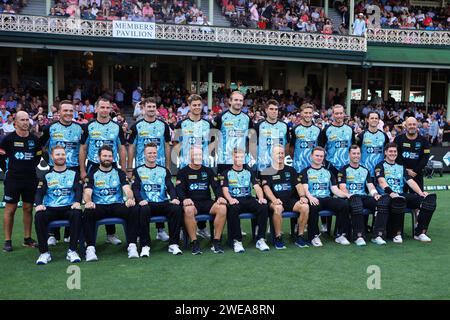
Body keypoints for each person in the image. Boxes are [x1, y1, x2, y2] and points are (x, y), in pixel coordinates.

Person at [79, 97, 127, 245]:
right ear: (96, 109)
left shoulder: (116, 127)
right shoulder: (89, 127)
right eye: (102, 107)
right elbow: (83, 148)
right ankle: (89, 237)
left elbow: (121, 148)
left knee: (112, 195)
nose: (105, 110)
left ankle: (110, 234)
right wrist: (82, 170)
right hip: (93, 165)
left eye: (108, 108)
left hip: (111, 165)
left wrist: (124, 169)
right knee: (90, 200)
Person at [83, 145, 139, 261]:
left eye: (109, 156)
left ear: (113, 158)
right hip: (99, 206)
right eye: (104, 156)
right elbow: (87, 193)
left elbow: (128, 189)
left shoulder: (119, 173)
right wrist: (88, 202)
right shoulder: (92, 174)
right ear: (99, 157)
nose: (107, 158)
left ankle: (132, 245)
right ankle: (90, 248)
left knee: (133, 209)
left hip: (116, 205)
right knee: (88, 212)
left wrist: (129, 198)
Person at [40, 100, 85, 245]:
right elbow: (41, 146)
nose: (68, 113)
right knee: (54, 197)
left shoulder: (80, 128)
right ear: (59, 112)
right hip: (55, 168)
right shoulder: (50, 128)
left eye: (71, 111)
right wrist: (47, 161)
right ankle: (53, 233)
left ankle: (69, 233)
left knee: (71, 198)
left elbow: (83, 148)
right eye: (65, 110)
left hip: (74, 168)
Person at [127, 97, 172, 241]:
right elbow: (132, 147)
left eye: (153, 106)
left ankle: (160, 230)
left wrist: (168, 166)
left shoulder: (163, 125)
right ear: (143, 108)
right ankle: (140, 231)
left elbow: (166, 145)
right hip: (141, 167)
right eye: (149, 107)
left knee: (159, 195)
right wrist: (129, 167)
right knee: (141, 196)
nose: (151, 109)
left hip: (159, 167)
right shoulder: (136, 126)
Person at [375, 143, 437, 243]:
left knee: (428, 201)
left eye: (395, 151)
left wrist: (421, 193)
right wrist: (391, 193)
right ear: (385, 152)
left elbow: (410, 181)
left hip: (400, 194)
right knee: (398, 200)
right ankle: (396, 234)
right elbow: (382, 182)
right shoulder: (380, 166)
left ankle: (420, 232)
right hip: (387, 196)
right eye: (390, 151)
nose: (393, 153)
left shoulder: (401, 167)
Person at [173, 94, 214, 239]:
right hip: (186, 165)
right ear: (189, 106)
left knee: (204, 193)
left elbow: (213, 141)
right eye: (194, 105)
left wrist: (206, 153)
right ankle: (185, 229)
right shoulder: (181, 124)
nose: (197, 107)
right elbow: (175, 143)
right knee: (185, 195)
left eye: (199, 105)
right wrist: (181, 157)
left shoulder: (208, 124)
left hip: (203, 165)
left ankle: (202, 228)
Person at [0, 111, 42, 252]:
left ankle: (27, 238)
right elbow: (1, 156)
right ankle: (7, 240)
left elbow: (37, 157)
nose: (25, 122)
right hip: (13, 179)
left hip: (30, 178)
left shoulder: (35, 139)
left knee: (28, 208)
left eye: (27, 120)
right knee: (10, 209)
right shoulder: (7, 139)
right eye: (22, 120)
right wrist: (8, 169)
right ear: (15, 123)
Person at [131, 143, 183, 257]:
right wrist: (139, 200)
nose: (152, 155)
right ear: (144, 154)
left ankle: (173, 244)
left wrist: (174, 198)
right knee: (142, 210)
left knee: (176, 208)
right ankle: (145, 246)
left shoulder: (164, 170)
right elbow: (135, 188)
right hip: (147, 204)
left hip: (162, 202)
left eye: (154, 152)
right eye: (149, 153)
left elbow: (170, 186)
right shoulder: (138, 170)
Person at [34, 146, 83, 264]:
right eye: (58, 154)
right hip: (51, 208)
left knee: (77, 213)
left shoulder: (73, 173)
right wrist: (39, 204)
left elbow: (78, 189)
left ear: (65, 156)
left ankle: (72, 251)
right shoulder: (46, 175)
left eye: (62, 154)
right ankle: (44, 253)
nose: (60, 157)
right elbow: (39, 192)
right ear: (52, 157)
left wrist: (77, 201)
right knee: (39, 216)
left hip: (68, 207)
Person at [176, 146, 228, 254]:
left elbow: (216, 186)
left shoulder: (208, 171)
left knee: (222, 208)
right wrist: (184, 199)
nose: (198, 157)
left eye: (200, 155)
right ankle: (194, 242)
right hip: (192, 203)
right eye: (195, 155)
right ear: (190, 157)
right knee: (188, 210)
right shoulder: (183, 172)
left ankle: (216, 241)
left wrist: (219, 197)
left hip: (206, 202)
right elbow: (179, 189)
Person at [300, 147, 352, 247]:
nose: (319, 158)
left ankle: (340, 234)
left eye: (321, 156)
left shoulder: (328, 172)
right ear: (311, 156)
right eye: (317, 155)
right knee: (313, 207)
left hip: (327, 198)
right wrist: (310, 197)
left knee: (344, 205)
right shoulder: (305, 172)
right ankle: (314, 236)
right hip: (314, 198)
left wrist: (346, 195)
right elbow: (305, 189)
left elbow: (334, 189)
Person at [221, 148, 270, 253]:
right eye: (237, 157)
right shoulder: (226, 173)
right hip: (235, 199)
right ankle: (237, 241)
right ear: (233, 158)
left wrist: (261, 198)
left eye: (241, 157)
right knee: (233, 209)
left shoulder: (249, 172)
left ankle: (260, 239)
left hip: (248, 198)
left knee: (263, 207)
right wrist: (230, 199)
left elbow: (257, 187)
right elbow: (224, 189)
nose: (239, 159)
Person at [338, 145, 388, 246]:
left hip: (363, 196)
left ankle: (377, 235)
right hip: (350, 197)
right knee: (357, 203)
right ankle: (359, 236)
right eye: (354, 153)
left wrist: (375, 194)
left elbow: (370, 185)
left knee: (382, 203)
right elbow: (342, 187)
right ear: (349, 154)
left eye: (358, 153)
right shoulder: (343, 169)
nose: (356, 156)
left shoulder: (365, 170)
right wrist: (350, 195)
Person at [261, 145, 310, 249]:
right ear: (272, 155)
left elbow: (298, 185)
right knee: (278, 208)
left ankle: (299, 236)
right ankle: (278, 237)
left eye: (282, 153)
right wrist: (274, 200)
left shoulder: (291, 170)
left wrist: (302, 196)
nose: (280, 155)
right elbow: (266, 188)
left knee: (305, 207)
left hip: (290, 201)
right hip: (275, 201)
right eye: (278, 153)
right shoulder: (267, 171)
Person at [319, 104, 355, 232]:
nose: (339, 116)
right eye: (336, 113)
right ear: (332, 115)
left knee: (345, 194)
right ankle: (325, 225)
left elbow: (353, 148)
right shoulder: (326, 130)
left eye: (341, 113)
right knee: (328, 194)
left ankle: (345, 224)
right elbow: (321, 148)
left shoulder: (350, 129)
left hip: (345, 167)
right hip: (331, 166)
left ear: (344, 114)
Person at [213, 91, 252, 175]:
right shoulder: (220, 117)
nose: (238, 102)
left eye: (241, 100)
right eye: (236, 100)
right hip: (224, 161)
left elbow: (250, 139)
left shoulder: (247, 119)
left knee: (241, 186)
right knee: (223, 187)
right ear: (230, 101)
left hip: (241, 160)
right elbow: (212, 137)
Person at [394, 117, 431, 191]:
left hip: (417, 174)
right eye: (409, 124)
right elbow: (396, 156)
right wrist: (406, 170)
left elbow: (425, 158)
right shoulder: (398, 139)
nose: (412, 126)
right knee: (400, 199)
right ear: (406, 126)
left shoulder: (424, 141)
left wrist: (415, 171)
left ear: (417, 125)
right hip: (401, 174)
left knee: (417, 199)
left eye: (414, 124)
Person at [254, 99, 289, 175]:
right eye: (271, 109)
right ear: (266, 110)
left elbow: (287, 145)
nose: (274, 111)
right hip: (263, 166)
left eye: (276, 109)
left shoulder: (284, 126)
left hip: (278, 165)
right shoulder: (258, 126)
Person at [356, 111, 389, 178]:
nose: (374, 120)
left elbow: (387, 153)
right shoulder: (361, 135)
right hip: (364, 172)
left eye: (376, 118)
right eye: (372, 118)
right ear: (367, 120)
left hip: (380, 172)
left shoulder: (384, 136)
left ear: (379, 120)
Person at [290, 103, 321, 173]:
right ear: (301, 113)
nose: (308, 115)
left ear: (313, 113)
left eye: (310, 113)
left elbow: (320, 148)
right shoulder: (295, 129)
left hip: (313, 166)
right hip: (298, 166)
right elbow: (291, 148)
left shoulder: (318, 130)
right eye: (306, 113)